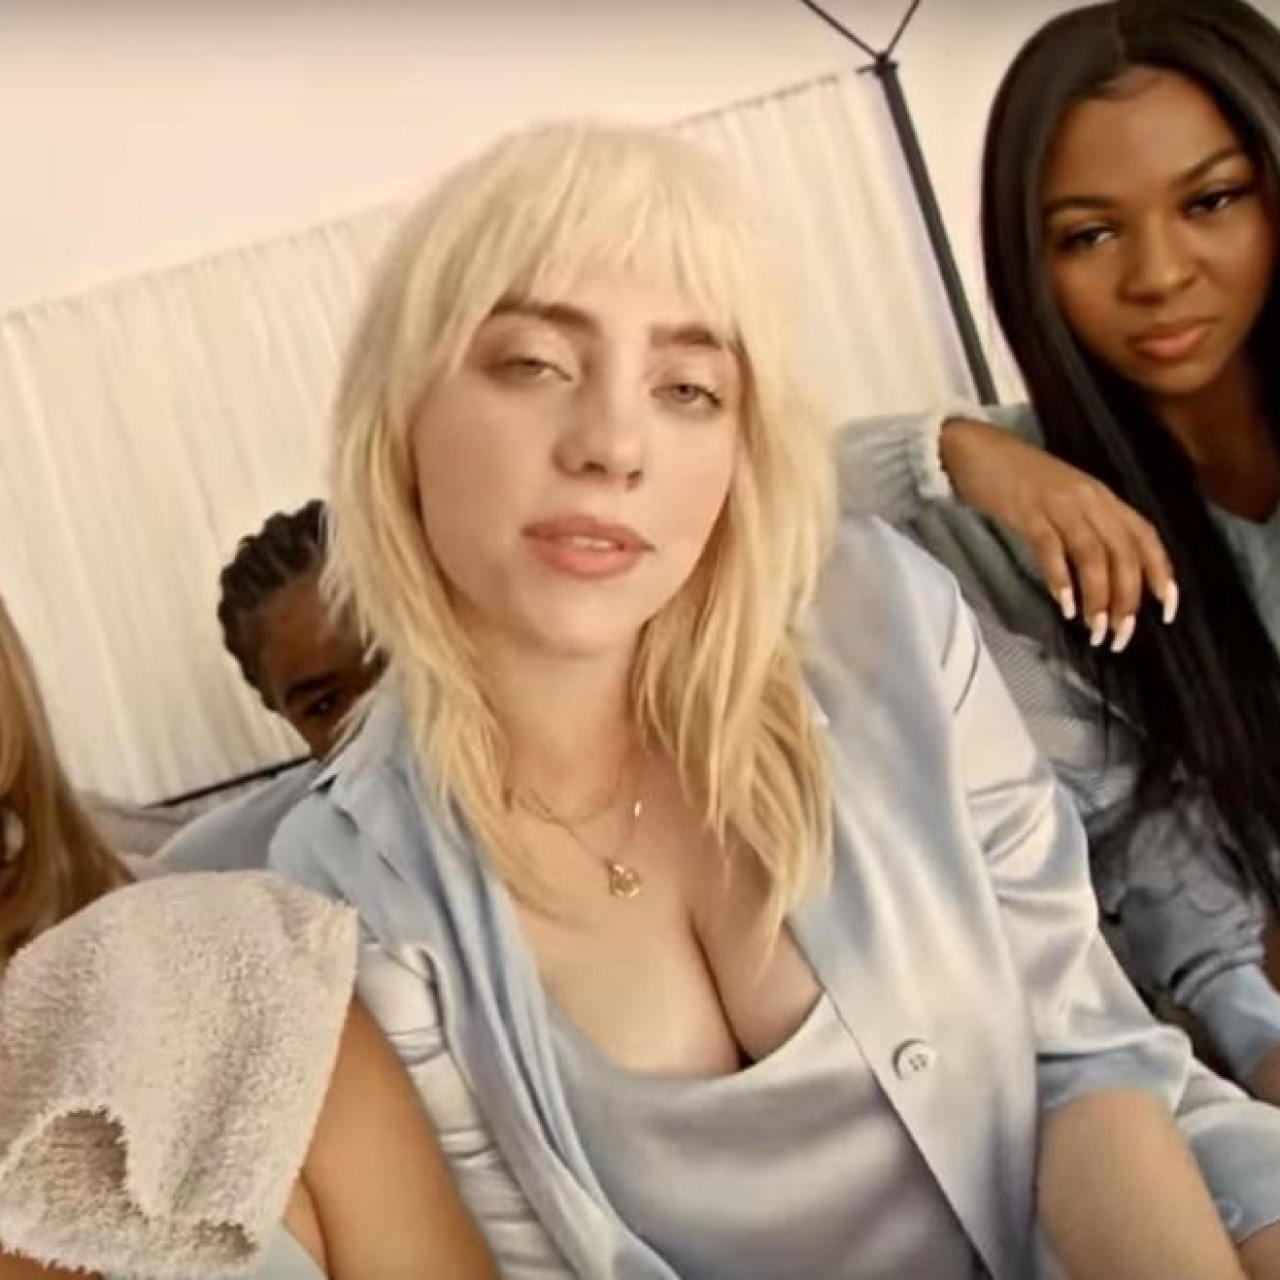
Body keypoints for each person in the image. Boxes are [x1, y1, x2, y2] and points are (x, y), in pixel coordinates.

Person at [268, 119, 1280, 1279]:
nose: (613, 444)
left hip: (1146, 1201)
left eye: (687, 387)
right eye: (535, 365)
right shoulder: (349, 884)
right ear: (398, 410)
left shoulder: (877, 615)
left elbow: (1081, 1058)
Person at [836, 0, 1280, 1101]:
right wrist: (957, 451)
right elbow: (739, 489)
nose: (1157, 274)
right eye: (1088, 234)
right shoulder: (1006, 513)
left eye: (1211, 200)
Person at [0, 594, 498, 1280]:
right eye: (327, 701)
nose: (375, 724)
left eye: (387, 677)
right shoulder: (245, 856)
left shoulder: (233, 968)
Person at [162, 499, 381, 873]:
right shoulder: (223, 868)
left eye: (395, 670)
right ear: (276, 707)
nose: (378, 719)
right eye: (325, 705)